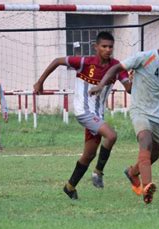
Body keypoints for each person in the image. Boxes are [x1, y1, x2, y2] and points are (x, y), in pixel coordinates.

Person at [89, 25, 159, 204]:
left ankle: (132, 172)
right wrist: (100, 85)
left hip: (158, 115)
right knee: (146, 141)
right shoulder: (145, 57)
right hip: (140, 110)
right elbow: (116, 68)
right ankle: (147, 187)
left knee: (155, 154)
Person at [34, 31, 131, 200]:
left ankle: (70, 187)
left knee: (89, 155)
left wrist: (134, 79)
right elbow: (57, 61)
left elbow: (129, 88)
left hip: (97, 116)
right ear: (96, 47)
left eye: (110, 47)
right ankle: (98, 172)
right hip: (83, 112)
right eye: (104, 46)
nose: (108, 50)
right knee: (111, 135)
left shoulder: (116, 67)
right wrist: (40, 81)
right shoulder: (85, 62)